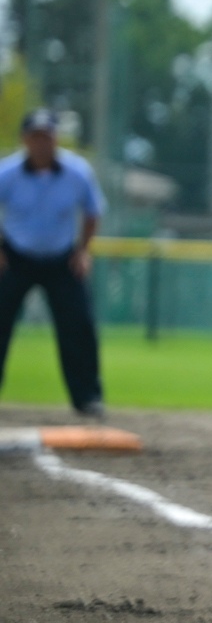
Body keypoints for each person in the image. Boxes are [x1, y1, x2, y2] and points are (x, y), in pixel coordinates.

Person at [0, 109, 109, 418]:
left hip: (62, 257)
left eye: (47, 136)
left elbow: (92, 211)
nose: (42, 143)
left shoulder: (77, 172)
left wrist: (83, 251)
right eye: (36, 137)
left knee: (79, 326)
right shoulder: (7, 172)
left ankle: (87, 398)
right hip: (15, 256)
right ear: (25, 139)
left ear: (56, 138)